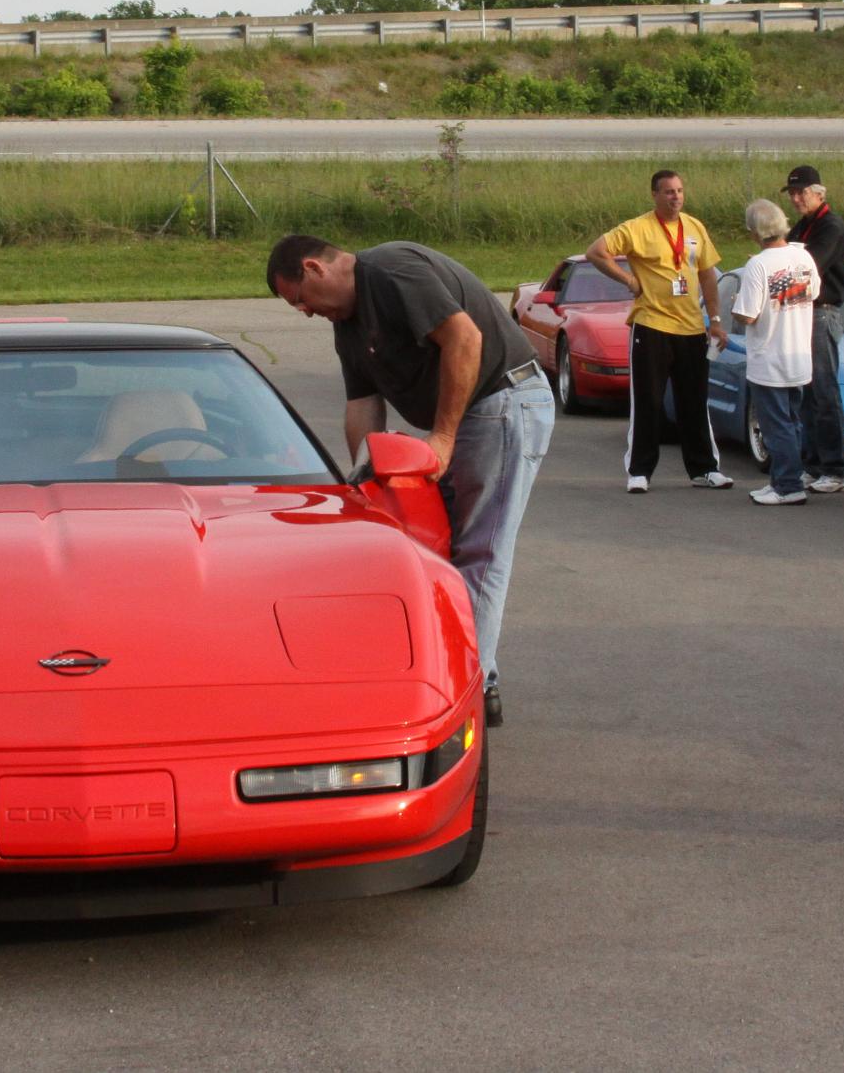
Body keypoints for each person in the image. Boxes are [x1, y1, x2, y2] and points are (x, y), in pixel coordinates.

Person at [268, 235, 555, 728]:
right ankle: (467, 675)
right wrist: (365, 478)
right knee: (437, 553)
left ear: (314, 268)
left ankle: (469, 689)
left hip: (502, 401)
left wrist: (443, 438)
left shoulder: (391, 271)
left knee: (480, 551)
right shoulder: (348, 323)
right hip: (468, 416)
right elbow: (363, 404)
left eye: (299, 299)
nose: (306, 312)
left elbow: (465, 339)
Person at [585, 170, 730, 493]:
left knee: (694, 401)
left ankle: (704, 469)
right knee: (648, 401)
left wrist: (716, 319)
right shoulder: (638, 228)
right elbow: (595, 252)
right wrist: (628, 279)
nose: (675, 197)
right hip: (652, 324)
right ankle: (639, 471)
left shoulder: (694, 227)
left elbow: (707, 274)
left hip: (691, 327)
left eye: (679, 191)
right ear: (655, 195)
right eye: (668, 192)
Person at [729, 199, 820, 506]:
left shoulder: (758, 265)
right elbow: (814, 292)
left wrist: (736, 303)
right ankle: (785, 479)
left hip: (769, 358)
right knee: (793, 422)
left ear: (755, 231)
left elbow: (748, 315)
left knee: (775, 425)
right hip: (799, 355)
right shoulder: (803, 256)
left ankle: (788, 486)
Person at [783, 166, 844, 493]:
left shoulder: (830, 226)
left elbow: (808, 266)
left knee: (825, 392)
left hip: (822, 313)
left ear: (818, 193)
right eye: (792, 193)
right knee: (806, 393)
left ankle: (836, 470)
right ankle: (812, 465)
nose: (796, 199)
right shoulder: (802, 225)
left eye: (802, 192)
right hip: (801, 313)